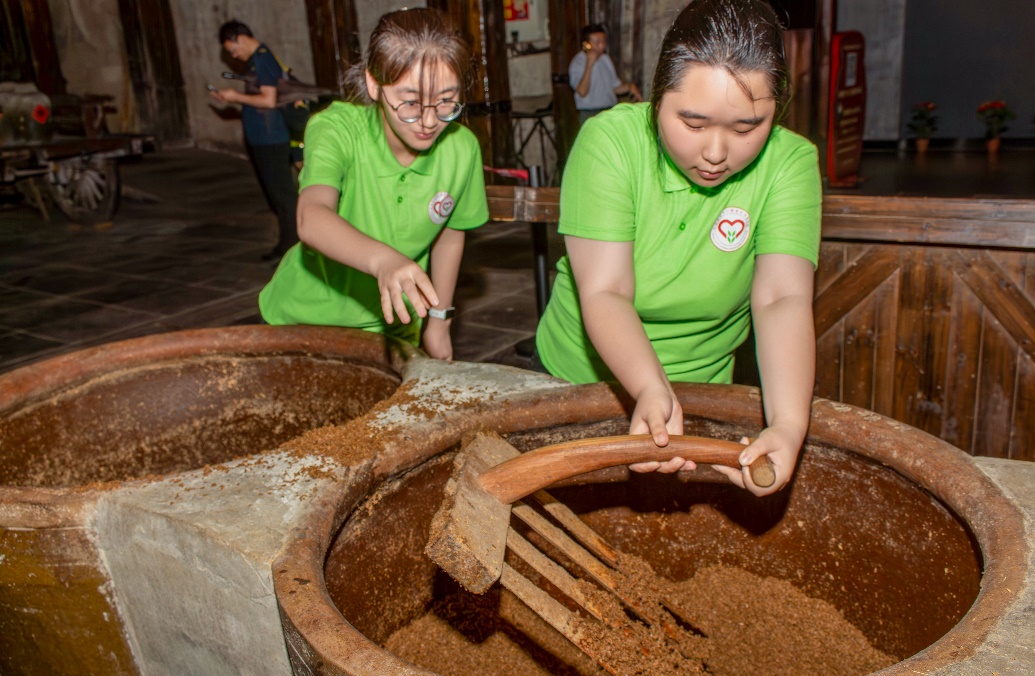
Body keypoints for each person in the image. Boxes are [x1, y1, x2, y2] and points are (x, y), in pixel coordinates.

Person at [536, 0, 821, 496]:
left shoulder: (789, 163)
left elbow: (782, 298)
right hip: (580, 379)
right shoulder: (610, 143)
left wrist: (789, 424)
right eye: (693, 124)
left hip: (705, 385)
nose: (715, 153)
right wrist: (650, 387)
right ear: (656, 97)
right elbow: (606, 290)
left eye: (746, 128)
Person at [257, 8, 488, 361]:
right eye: (410, 103)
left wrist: (439, 322)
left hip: (394, 326)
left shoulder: (461, 147)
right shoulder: (337, 129)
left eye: (446, 101)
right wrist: (384, 261)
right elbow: (311, 216)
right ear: (374, 83)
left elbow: (450, 234)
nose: (429, 121)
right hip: (303, 321)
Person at [211, 20, 299, 262]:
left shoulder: (262, 59)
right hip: (264, 137)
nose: (234, 55)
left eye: (232, 49)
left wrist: (235, 96)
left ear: (239, 38)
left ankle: (292, 247)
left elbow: (269, 100)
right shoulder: (257, 60)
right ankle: (288, 243)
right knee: (277, 195)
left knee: (283, 195)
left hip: (272, 137)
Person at [568, 24, 642, 125]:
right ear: (586, 44)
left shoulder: (605, 59)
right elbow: (582, 91)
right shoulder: (578, 63)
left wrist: (629, 87)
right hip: (590, 113)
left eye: (603, 42)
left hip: (609, 110)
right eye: (597, 42)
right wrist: (589, 64)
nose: (602, 46)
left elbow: (614, 87)